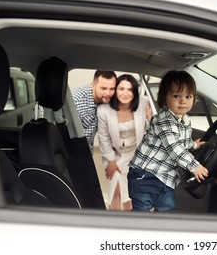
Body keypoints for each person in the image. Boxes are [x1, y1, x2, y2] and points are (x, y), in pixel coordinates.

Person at [128, 70, 208, 212]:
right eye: (176, 96)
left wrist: (193, 144)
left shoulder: (184, 119)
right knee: (141, 213)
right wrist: (194, 166)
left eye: (188, 96)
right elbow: (174, 146)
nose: (183, 101)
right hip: (146, 175)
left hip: (166, 178)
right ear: (165, 97)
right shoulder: (163, 120)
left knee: (169, 213)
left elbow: (181, 141)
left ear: (194, 99)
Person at [97, 74, 152, 211]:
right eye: (121, 89)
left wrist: (150, 117)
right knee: (115, 191)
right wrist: (110, 160)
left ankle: (131, 220)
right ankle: (113, 223)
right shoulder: (104, 110)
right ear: (115, 90)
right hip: (114, 155)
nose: (125, 94)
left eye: (130, 90)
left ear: (135, 92)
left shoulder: (143, 103)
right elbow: (103, 137)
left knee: (130, 191)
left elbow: (152, 129)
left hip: (135, 154)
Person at [72, 70, 117, 154]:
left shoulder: (104, 98)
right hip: (73, 153)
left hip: (87, 151)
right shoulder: (77, 102)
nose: (108, 93)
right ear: (93, 85)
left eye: (112, 89)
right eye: (103, 88)